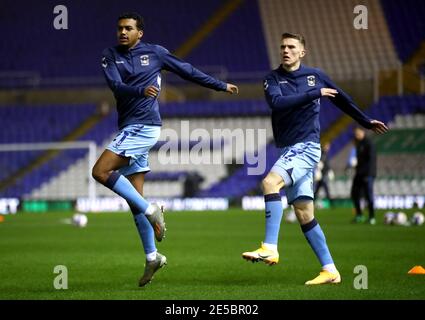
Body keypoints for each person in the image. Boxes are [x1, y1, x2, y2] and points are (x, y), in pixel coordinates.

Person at [91, 12, 238, 287]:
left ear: (140, 33)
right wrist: (140, 91)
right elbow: (115, 86)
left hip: (144, 126)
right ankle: (151, 256)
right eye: (120, 28)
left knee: (100, 171)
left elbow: (187, 70)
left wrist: (219, 85)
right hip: (128, 127)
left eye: (128, 28)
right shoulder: (109, 55)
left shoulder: (156, 53)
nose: (123, 32)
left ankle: (151, 210)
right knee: (134, 198)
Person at [242, 33, 388, 285]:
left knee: (269, 183)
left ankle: (269, 247)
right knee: (304, 212)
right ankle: (330, 270)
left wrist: (365, 120)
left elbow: (341, 98)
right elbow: (277, 103)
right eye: (283, 47)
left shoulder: (316, 76)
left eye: (291, 47)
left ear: (302, 52)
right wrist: (314, 94)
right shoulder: (272, 79)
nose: (286, 50)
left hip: (307, 147)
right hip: (287, 148)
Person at [349, 126, 377, 225]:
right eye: (355, 133)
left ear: (362, 132)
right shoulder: (358, 143)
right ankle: (359, 215)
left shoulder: (369, 143)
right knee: (354, 193)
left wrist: (366, 173)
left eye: (357, 133)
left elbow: (371, 161)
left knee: (368, 195)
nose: (356, 135)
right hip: (359, 173)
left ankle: (372, 217)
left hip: (368, 174)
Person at [313, 142, 334, 207]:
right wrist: (318, 169)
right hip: (321, 175)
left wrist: (329, 170)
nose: (328, 147)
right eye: (327, 146)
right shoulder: (321, 153)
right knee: (325, 189)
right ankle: (331, 203)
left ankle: (313, 202)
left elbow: (326, 165)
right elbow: (318, 164)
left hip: (323, 174)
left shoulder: (326, 154)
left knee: (318, 190)